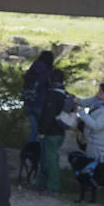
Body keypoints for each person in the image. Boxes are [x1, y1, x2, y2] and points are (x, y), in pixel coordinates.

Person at [35, 68, 71, 196]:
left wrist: (42, 131)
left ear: (50, 79)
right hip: (61, 131)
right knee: (50, 158)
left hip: (52, 132)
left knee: (50, 159)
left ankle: (53, 187)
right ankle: (44, 183)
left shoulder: (52, 95)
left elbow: (48, 115)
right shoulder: (65, 94)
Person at [75, 81, 104, 162]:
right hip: (91, 140)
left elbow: (96, 126)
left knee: (96, 164)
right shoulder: (96, 100)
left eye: (101, 92)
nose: (98, 93)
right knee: (90, 162)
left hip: (98, 142)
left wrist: (82, 113)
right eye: (99, 90)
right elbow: (83, 102)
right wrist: (75, 100)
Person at [22, 50, 54, 143]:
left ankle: (30, 152)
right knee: (41, 132)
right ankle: (38, 153)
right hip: (40, 104)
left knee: (34, 131)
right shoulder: (47, 72)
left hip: (28, 103)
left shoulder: (32, 69)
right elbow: (49, 87)